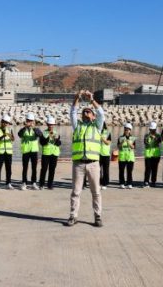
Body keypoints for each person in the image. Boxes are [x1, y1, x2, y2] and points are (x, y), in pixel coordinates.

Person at [66, 90, 105, 228]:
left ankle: (98, 216)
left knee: (96, 192)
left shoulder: (97, 127)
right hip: (79, 165)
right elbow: (72, 112)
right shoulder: (77, 127)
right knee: (76, 192)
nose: (85, 113)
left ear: (93, 116)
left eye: (88, 112)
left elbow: (101, 113)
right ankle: (73, 216)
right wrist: (77, 98)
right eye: (84, 112)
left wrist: (91, 100)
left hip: (93, 164)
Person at [18, 112, 41, 190]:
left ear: (33, 121)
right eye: (28, 120)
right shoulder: (23, 129)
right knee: (25, 167)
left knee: (34, 168)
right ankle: (24, 182)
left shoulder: (36, 129)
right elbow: (19, 134)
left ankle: (33, 183)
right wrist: (25, 127)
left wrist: (34, 127)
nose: (30, 122)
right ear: (26, 121)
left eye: (31, 120)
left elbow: (40, 135)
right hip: (26, 151)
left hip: (34, 151)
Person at [38, 116, 62, 190]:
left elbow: (59, 143)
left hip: (54, 154)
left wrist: (56, 139)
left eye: (52, 124)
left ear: (54, 125)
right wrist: (48, 136)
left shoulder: (56, 133)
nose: (51, 126)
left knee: (52, 170)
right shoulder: (43, 133)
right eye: (49, 124)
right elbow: (42, 143)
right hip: (46, 153)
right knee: (44, 169)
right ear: (47, 124)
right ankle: (41, 184)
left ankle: (50, 184)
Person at [0, 115, 15, 190]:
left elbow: (13, 139)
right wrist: (3, 135)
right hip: (0, 152)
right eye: (4, 122)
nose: (6, 124)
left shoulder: (10, 129)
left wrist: (11, 136)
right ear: (2, 122)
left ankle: (8, 183)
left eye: (7, 123)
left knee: (9, 168)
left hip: (8, 152)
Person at [142, 121, 162, 188]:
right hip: (148, 154)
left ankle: (153, 181)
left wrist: (154, 138)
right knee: (148, 168)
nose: (152, 131)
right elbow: (145, 143)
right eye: (151, 130)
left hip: (156, 154)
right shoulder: (146, 136)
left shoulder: (158, 135)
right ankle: (146, 181)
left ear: (155, 129)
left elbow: (159, 141)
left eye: (153, 130)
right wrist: (149, 137)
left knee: (154, 168)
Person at [117, 123, 136, 189]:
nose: (126, 131)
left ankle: (129, 183)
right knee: (121, 171)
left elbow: (133, 147)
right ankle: (122, 183)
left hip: (130, 157)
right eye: (125, 130)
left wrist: (128, 142)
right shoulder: (120, 138)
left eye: (128, 130)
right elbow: (119, 147)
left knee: (129, 171)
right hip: (122, 157)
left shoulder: (133, 138)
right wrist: (122, 142)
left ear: (130, 130)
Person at [99, 122, 112, 189]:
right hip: (97, 153)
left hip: (106, 154)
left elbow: (108, 143)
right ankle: (99, 183)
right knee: (98, 170)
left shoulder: (107, 133)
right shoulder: (96, 131)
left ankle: (105, 183)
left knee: (105, 170)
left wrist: (102, 138)